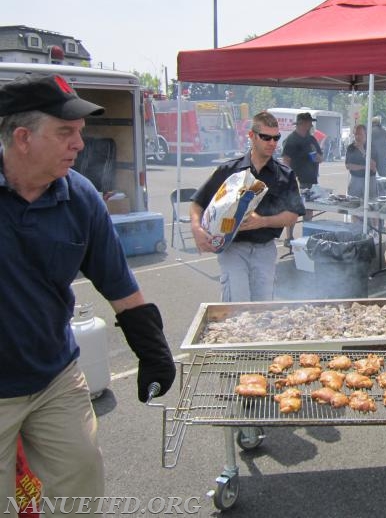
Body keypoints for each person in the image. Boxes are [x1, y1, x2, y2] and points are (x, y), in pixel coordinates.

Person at [0, 74, 175, 506]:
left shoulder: (80, 198)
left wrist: (152, 351)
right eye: (65, 132)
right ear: (22, 137)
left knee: (81, 483)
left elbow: (120, 285)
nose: (79, 143)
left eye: (79, 131)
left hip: (54, 376)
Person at [190, 111, 305, 301]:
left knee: (262, 309)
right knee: (236, 306)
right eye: (266, 137)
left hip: (265, 250)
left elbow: (292, 216)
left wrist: (263, 221)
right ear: (251, 136)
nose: (272, 143)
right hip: (233, 248)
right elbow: (198, 202)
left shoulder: (285, 175)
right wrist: (196, 228)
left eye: (276, 138)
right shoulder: (228, 170)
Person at [281, 112, 322, 245]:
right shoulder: (291, 140)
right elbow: (286, 160)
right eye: (309, 122)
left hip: (310, 179)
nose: (311, 125)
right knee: (293, 209)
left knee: (308, 208)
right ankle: (289, 237)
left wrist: (318, 158)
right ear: (302, 124)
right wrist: (289, 179)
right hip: (295, 178)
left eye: (311, 122)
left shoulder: (311, 139)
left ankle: (307, 235)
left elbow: (321, 157)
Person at [345, 123, 378, 200]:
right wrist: (365, 167)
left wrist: (362, 151)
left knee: (370, 204)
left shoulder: (371, 146)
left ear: (366, 134)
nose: (357, 137)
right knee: (353, 204)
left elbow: (373, 166)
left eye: (360, 134)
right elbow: (348, 166)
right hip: (355, 180)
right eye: (356, 134)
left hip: (370, 180)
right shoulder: (351, 147)